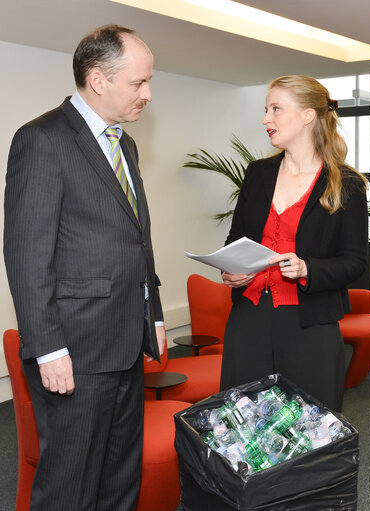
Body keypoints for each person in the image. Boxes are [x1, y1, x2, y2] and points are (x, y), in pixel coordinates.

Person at [4, 24, 166, 511]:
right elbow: (27, 255)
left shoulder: (125, 144)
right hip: (74, 350)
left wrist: (154, 314)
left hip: (125, 342)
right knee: (69, 487)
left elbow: (138, 240)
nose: (149, 94)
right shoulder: (42, 140)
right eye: (139, 83)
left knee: (120, 479)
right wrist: (48, 346)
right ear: (98, 80)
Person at [220, 75, 368, 412]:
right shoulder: (257, 174)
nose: (265, 119)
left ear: (307, 115)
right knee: (242, 426)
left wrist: (306, 267)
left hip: (310, 325)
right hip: (248, 319)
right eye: (265, 110)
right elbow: (236, 240)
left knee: (311, 427)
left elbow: (355, 262)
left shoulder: (346, 184)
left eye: (275, 109)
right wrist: (232, 270)